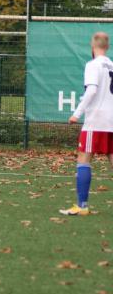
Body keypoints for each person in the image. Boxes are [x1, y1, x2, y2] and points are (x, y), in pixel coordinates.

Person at [60, 32, 113, 216]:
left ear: (92, 45)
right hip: (111, 120)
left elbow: (91, 91)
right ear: (107, 46)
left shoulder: (93, 65)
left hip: (96, 121)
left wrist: (76, 114)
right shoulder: (112, 65)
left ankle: (82, 206)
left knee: (83, 159)